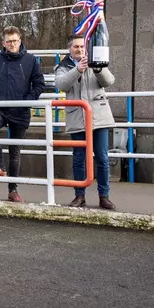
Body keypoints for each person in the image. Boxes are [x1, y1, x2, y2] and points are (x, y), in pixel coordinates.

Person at [0, 26, 45, 203]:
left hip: (21, 111)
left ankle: (13, 190)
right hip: (1, 108)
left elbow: (39, 84)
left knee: (15, 152)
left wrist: (28, 100)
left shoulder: (31, 60)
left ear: (20, 40)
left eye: (15, 40)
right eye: (8, 41)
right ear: (3, 43)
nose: (12, 44)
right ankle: (0, 166)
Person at [54, 35, 117, 210]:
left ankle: (104, 196)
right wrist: (78, 70)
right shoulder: (62, 66)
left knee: (102, 158)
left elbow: (109, 81)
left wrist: (97, 68)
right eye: (76, 47)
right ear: (69, 49)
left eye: (82, 46)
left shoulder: (96, 61)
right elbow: (61, 85)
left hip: (99, 118)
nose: (79, 49)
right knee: (79, 159)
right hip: (77, 118)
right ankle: (79, 195)